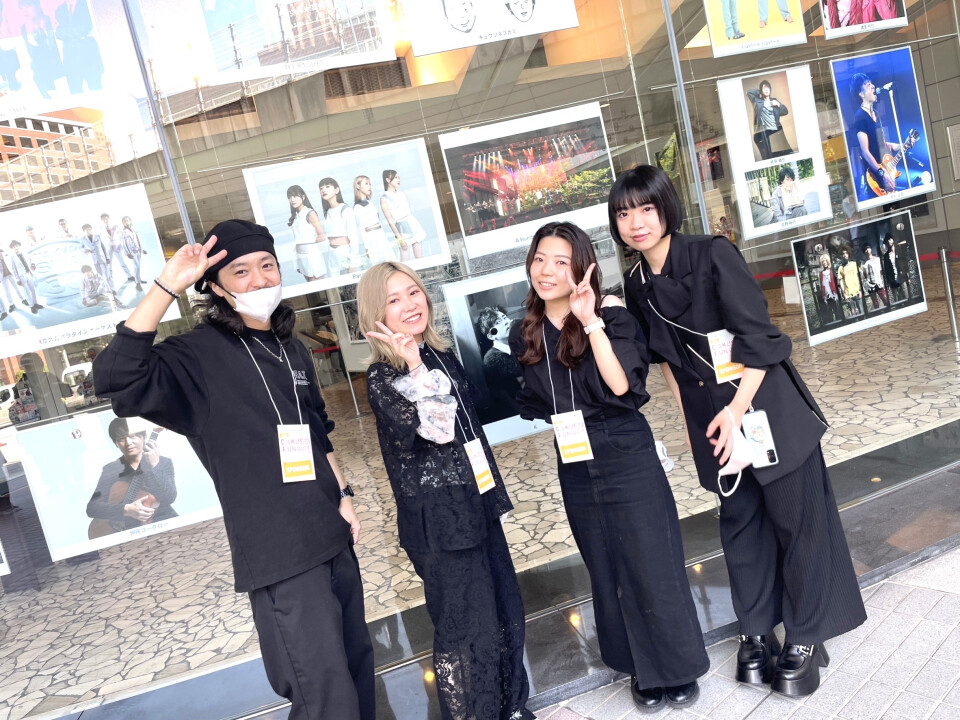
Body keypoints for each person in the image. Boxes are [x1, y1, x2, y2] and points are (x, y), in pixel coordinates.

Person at [92, 220, 374, 720]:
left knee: (357, 672)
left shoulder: (292, 347)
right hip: (280, 555)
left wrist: (344, 495)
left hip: (331, 534)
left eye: (267, 266)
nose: (260, 280)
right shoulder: (196, 356)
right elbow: (116, 377)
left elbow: (317, 428)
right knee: (325, 696)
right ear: (216, 288)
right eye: (241, 271)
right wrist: (167, 286)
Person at [615, 165, 865, 698]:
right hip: (712, 417)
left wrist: (735, 410)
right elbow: (667, 361)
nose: (636, 222)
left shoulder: (713, 254)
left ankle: (805, 636)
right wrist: (692, 421)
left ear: (666, 209)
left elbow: (763, 341)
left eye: (646, 209)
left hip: (762, 403)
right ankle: (756, 632)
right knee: (741, 523)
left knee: (798, 522)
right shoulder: (637, 284)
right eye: (624, 213)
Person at [509, 221, 709, 712]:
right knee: (606, 567)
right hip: (575, 460)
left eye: (560, 261)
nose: (547, 270)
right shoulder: (525, 332)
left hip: (624, 449)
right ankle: (640, 667)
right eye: (539, 259)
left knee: (653, 561)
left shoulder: (611, 313)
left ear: (581, 266)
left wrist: (590, 320)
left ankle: (676, 667)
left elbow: (621, 386)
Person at [359, 261, 533, 720]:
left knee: (502, 605)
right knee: (464, 625)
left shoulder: (441, 355)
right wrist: (414, 364)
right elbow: (437, 429)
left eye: (413, 292)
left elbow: (470, 424)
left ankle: (511, 705)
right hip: (438, 518)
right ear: (376, 314)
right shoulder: (382, 376)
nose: (409, 304)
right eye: (394, 300)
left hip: (475, 498)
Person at [86, 417, 178, 535]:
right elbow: (92, 508)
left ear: (143, 437)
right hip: (124, 533)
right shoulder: (111, 469)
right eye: (121, 439)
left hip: (162, 524)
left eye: (133, 436)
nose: (128, 443)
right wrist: (126, 510)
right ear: (116, 443)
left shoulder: (163, 462)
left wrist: (154, 467)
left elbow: (169, 497)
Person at [850, 73, 915, 196]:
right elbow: (865, 152)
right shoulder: (860, 117)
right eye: (868, 85)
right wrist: (881, 173)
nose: (873, 87)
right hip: (875, 177)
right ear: (861, 94)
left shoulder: (876, 113)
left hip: (885, 171)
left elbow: (883, 144)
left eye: (871, 84)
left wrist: (904, 145)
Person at [54, 0, 103, 92]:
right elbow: (58, 33)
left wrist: (65, 33)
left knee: (96, 88)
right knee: (75, 92)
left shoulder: (87, 4)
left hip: (89, 56)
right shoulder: (59, 10)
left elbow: (84, 28)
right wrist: (73, 33)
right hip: (70, 60)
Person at [19, 0, 63, 98]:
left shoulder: (52, 20)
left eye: (28, 6)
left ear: (37, 5)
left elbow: (54, 46)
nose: (25, 11)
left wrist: (45, 29)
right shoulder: (24, 29)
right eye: (21, 8)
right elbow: (31, 53)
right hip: (41, 77)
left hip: (60, 72)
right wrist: (30, 31)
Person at [381, 170, 426, 262]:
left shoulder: (403, 194)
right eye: (395, 178)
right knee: (405, 261)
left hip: (413, 223)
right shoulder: (384, 198)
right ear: (387, 180)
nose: (398, 180)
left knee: (420, 258)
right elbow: (390, 221)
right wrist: (399, 238)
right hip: (401, 227)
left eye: (399, 177)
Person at [319, 177, 361, 275]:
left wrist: (353, 264)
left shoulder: (345, 210)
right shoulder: (328, 213)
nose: (323, 190)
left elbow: (354, 239)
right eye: (321, 188)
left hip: (345, 252)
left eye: (327, 186)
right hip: (332, 254)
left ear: (336, 190)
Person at [286, 185, 328, 282]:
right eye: (290, 197)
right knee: (310, 284)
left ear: (303, 197)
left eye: (295, 196)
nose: (292, 199)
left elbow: (322, 237)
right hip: (301, 257)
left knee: (318, 285)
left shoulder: (310, 214)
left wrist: (304, 242)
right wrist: (297, 262)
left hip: (312, 256)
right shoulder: (295, 216)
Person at [353, 175, 394, 265]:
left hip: (381, 237)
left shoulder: (370, 203)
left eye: (370, 184)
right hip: (371, 241)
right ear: (358, 186)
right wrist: (366, 247)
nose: (369, 186)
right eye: (366, 184)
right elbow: (361, 229)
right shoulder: (357, 207)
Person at [747, 80, 792, 160]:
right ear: (761, 90)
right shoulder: (757, 101)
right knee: (769, 156)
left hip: (776, 131)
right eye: (764, 88)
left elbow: (785, 112)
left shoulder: (774, 100)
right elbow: (749, 92)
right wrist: (760, 92)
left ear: (770, 89)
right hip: (765, 132)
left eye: (768, 87)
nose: (766, 89)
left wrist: (778, 104)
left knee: (783, 153)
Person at [81, 223, 116, 297]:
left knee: (107, 275)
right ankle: (107, 290)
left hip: (102, 258)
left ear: (91, 229)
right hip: (94, 260)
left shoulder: (97, 236)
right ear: (84, 231)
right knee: (100, 276)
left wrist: (107, 257)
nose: (88, 231)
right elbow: (81, 248)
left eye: (89, 229)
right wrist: (85, 250)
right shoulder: (83, 239)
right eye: (86, 230)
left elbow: (103, 247)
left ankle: (112, 289)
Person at [9, 240, 42, 313]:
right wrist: (17, 279)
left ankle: (35, 303)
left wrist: (33, 264)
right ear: (12, 248)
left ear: (19, 246)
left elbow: (31, 259)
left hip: (28, 273)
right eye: (14, 247)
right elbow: (14, 269)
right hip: (21, 276)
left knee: (32, 289)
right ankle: (31, 306)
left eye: (17, 246)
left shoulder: (24, 252)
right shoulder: (12, 257)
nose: (16, 247)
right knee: (26, 291)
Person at [102, 213, 134, 286]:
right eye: (104, 219)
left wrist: (121, 245)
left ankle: (129, 276)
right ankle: (110, 279)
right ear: (102, 220)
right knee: (109, 264)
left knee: (122, 262)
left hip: (116, 246)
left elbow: (121, 235)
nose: (105, 220)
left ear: (109, 218)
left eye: (106, 218)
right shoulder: (100, 228)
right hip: (108, 248)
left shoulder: (115, 226)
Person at [119, 215, 147, 292]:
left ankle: (139, 279)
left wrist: (142, 250)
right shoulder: (122, 232)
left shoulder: (133, 229)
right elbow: (123, 243)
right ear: (122, 223)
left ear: (130, 221)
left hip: (138, 250)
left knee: (138, 266)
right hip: (131, 252)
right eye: (124, 221)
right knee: (136, 267)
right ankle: (137, 284)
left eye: (127, 220)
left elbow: (138, 240)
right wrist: (127, 253)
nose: (126, 222)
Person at [881, 233, 909, 302]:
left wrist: (908, 276)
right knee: (897, 301)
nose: (888, 241)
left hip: (902, 278)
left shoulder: (899, 251)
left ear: (893, 240)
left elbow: (905, 263)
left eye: (890, 239)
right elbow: (887, 271)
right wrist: (888, 283)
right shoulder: (886, 256)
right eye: (887, 241)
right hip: (893, 281)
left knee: (907, 298)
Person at [861, 244, 888, 310]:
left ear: (871, 249)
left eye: (868, 248)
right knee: (875, 303)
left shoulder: (877, 259)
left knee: (885, 299)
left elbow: (881, 271)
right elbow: (864, 275)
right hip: (870, 285)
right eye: (865, 250)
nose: (867, 250)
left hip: (878, 282)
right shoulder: (864, 264)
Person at [0, 248, 25, 318]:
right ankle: (11, 304)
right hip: (3, 277)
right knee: (7, 291)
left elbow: (12, 264)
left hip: (11, 274)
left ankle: (23, 299)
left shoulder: (6, 255)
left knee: (16, 287)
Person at [837, 249, 863, 316]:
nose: (845, 255)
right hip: (848, 294)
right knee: (853, 314)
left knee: (862, 311)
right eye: (843, 253)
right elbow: (841, 282)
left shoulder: (854, 264)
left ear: (849, 254)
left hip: (857, 292)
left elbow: (858, 277)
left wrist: (860, 290)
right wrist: (844, 294)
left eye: (846, 253)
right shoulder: (840, 268)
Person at [818, 255, 842, 324]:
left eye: (826, 261)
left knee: (837, 311)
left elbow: (836, 283)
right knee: (829, 313)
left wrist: (837, 294)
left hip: (834, 295)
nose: (824, 263)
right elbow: (820, 285)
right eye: (823, 261)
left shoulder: (832, 271)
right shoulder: (820, 274)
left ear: (828, 261)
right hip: (826, 296)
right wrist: (823, 296)